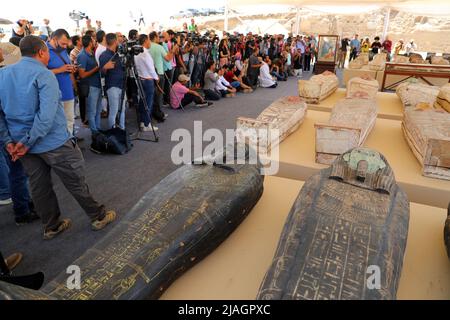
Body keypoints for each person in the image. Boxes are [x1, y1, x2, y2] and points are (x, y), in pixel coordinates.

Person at [0, 36, 117, 239]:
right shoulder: (44, 75)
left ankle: (51, 226)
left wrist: (9, 141)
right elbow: (45, 118)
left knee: (39, 187)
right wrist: (26, 142)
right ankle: (98, 216)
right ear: (41, 52)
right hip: (51, 142)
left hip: (21, 145)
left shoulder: (3, 74)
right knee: (75, 181)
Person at [78, 35, 114, 134]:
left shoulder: (91, 53)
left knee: (98, 110)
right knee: (92, 111)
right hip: (91, 86)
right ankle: (94, 131)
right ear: (89, 43)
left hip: (97, 85)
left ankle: (97, 129)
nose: (95, 42)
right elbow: (82, 75)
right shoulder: (82, 56)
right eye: (93, 40)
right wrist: (97, 68)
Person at [47, 29, 77, 136]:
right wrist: (60, 70)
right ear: (55, 39)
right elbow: (40, 73)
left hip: (68, 92)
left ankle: (70, 143)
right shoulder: (44, 51)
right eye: (63, 43)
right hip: (54, 95)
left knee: (70, 121)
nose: (65, 46)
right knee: (56, 125)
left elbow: (66, 66)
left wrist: (71, 69)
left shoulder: (63, 50)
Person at [99, 33, 126, 130]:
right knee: (114, 111)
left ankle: (122, 131)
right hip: (112, 87)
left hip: (121, 85)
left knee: (122, 110)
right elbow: (101, 74)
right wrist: (105, 68)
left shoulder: (116, 54)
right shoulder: (104, 55)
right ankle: (113, 133)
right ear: (115, 41)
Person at [134, 34, 159, 132]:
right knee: (148, 102)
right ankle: (146, 124)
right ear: (145, 41)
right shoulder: (145, 53)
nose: (150, 43)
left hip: (141, 79)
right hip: (148, 80)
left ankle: (142, 121)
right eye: (149, 40)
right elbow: (151, 68)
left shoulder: (137, 53)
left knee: (142, 101)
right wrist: (156, 78)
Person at [149, 31, 174, 122]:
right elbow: (168, 59)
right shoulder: (159, 47)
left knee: (152, 96)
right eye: (158, 36)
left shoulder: (147, 47)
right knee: (159, 95)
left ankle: (154, 113)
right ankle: (159, 114)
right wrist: (172, 50)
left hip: (150, 74)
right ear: (155, 37)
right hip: (159, 73)